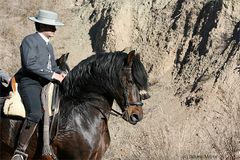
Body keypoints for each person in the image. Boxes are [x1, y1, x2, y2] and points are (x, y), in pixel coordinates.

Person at [11, 9, 66, 160]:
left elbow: (53, 66)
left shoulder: (48, 44)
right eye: (51, 26)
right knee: (35, 113)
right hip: (30, 82)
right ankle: (19, 151)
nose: (55, 29)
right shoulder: (29, 40)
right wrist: (52, 74)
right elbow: (30, 64)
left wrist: (61, 73)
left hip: (47, 82)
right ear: (42, 26)